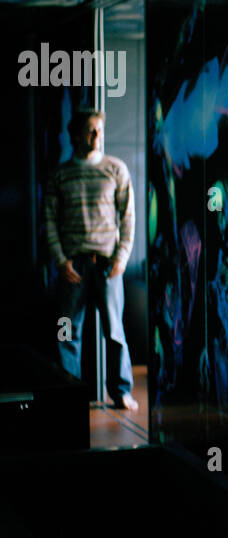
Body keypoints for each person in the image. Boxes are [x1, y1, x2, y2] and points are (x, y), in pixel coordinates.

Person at [45, 108, 138, 412]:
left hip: (107, 265)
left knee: (114, 332)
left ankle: (121, 392)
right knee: (66, 332)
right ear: (74, 135)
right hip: (72, 266)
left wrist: (122, 259)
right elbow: (48, 221)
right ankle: (69, 398)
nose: (97, 136)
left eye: (99, 129)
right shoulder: (60, 175)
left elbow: (128, 217)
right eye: (90, 130)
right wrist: (60, 261)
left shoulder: (116, 169)